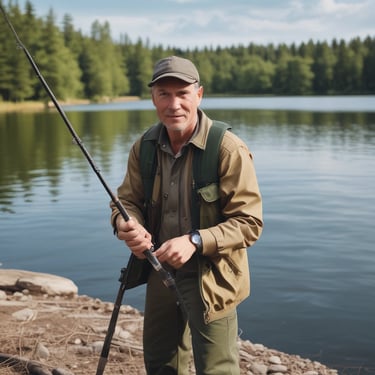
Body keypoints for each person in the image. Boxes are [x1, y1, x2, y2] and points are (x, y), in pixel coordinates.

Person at [111, 55, 263, 375]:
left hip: (212, 276)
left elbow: (249, 224)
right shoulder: (144, 147)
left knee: (216, 368)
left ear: (199, 95)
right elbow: (125, 202)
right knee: (160, 363)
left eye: (182, 93)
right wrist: (126, 224)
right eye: (164, 93)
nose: (174, 104)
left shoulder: (228, 149)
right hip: (158, 268)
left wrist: (195, 240)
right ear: (153, 98)